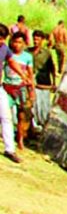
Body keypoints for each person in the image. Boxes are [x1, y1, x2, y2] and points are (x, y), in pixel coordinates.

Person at [0, 24, 34, 163]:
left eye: (3, 39)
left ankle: (10, 149)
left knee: (6, 117)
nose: (1, 41)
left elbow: (11, 62)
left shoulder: (4, 49)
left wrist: (23, 75)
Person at [30, 30, 56, 133]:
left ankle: (43, 125)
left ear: (42, 40)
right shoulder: (28, 52)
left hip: (44, 82)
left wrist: (54, 83)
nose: (35, 41)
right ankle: (33, 126)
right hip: (32, 83)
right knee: (33, 106)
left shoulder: (47, 53)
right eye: (34, 39)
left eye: (38, 39)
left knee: (44, 106)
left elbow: (52, 68)